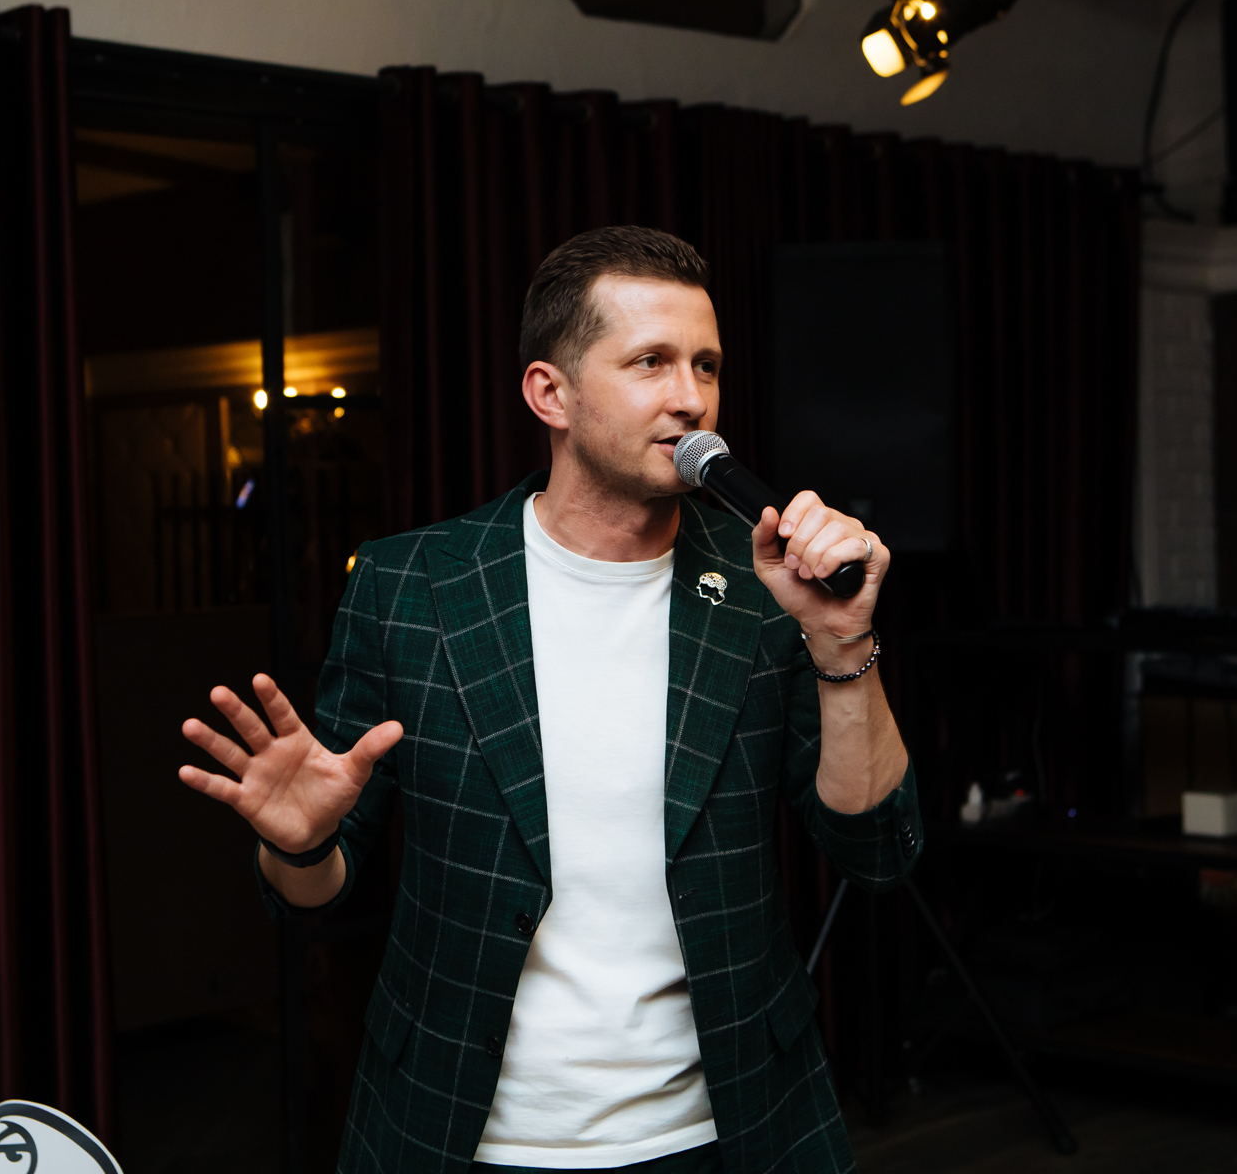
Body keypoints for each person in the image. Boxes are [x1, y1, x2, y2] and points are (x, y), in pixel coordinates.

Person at [177, 226, 921, 1174]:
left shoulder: (763, 592)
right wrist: (301, 844)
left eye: (705, 365)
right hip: (463, 1134)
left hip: (728, 1131)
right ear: (549, 394)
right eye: (650, 362)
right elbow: (313, 894)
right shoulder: (413, 587)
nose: (691, 398)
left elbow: (876, 851)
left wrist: (843, 641)